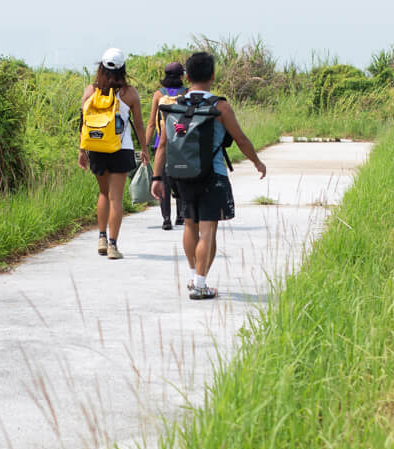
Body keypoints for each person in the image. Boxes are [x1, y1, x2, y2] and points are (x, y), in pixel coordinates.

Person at [150, 50, 265, 300]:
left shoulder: (175, 105)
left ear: (187, 76)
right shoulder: (219, 105)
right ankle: (201, 284)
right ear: (212, 75)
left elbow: (163, 145)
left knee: (189, 224)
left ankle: (194, 276)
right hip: (212, 175)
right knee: (208, 229)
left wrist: (157, 178)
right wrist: (256, 162)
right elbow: (241, 139)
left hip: (181, 175)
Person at [78, 47, 149, 260]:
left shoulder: (90, 91)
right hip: (121, 148)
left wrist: (82, 151)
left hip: (97, 148)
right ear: (122, 68)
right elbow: (138, 125)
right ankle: (112, 245)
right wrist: (144, 149)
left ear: (101, 66)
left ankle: (101, 237)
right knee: (115, 198)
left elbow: (83, 124)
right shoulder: (129, 93)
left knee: (103, 194)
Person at [146, 60, 186, 231]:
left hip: (160, 143)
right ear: (181, 76)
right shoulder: (187, 93)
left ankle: (166, 219)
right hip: (181, 142)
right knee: (181, 178)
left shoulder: (158, 94)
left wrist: (145, 146)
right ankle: (181, 216)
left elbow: (150, 123)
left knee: (163, 180)